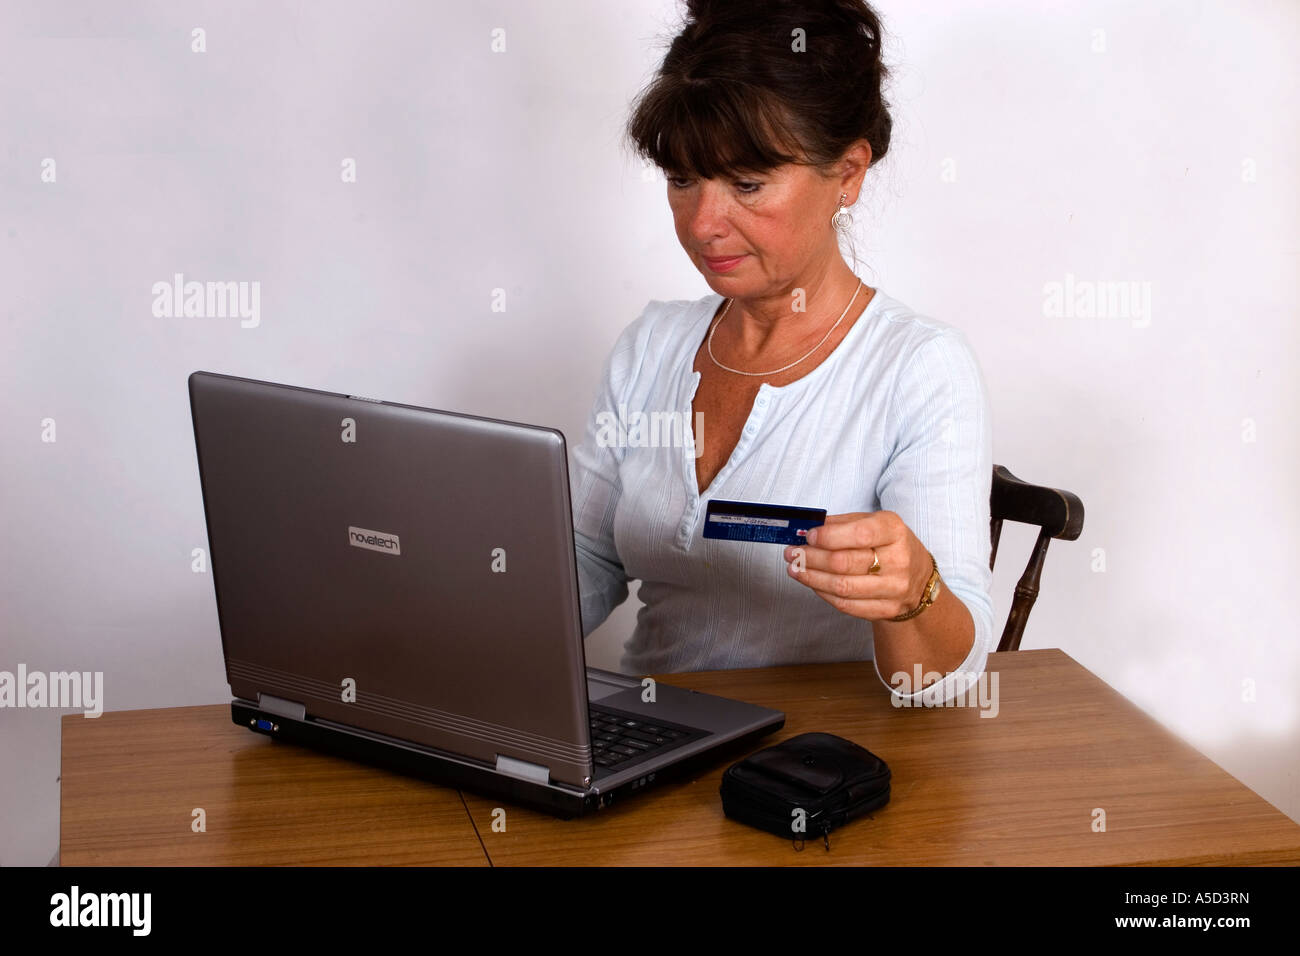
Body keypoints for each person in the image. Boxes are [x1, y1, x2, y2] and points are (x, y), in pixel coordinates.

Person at [570, 0, 993, 704]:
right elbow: (587, 559)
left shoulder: (920, 370)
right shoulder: (653, 345)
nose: (704, 223)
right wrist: (474, 596)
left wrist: (913, 593)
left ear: (850, 172)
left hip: (817, 766)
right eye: (682, 179)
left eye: (747, 184)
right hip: (649, 742)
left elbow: (941, 681)